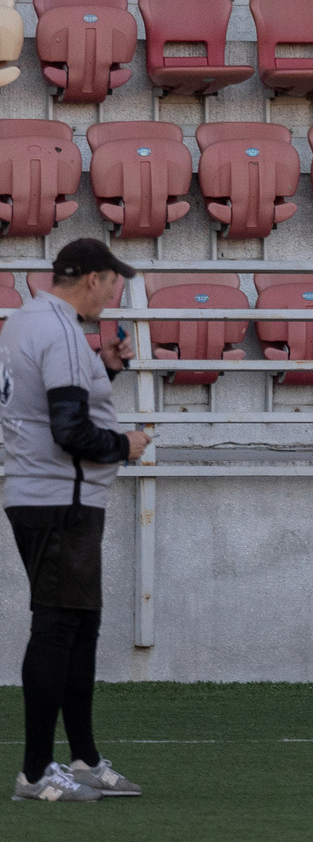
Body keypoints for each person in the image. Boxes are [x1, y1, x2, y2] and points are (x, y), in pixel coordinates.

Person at [1, 238, 149, 801]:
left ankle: (82, 758)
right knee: (58, 628)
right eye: (114, 282)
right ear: (92, 278)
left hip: (46, 494)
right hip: (60, 498)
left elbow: (48, 409)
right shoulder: (61, 331)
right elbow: (70, 433)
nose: (115, 295)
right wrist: (126, 444)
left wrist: (104, 369)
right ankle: (36, 772)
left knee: (78, 629)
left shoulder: (25, 321)